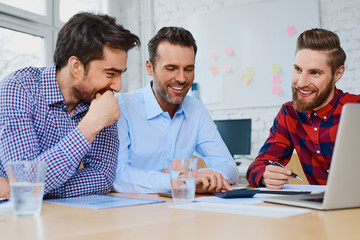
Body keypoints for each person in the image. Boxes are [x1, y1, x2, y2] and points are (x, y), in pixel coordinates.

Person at [0, 12, 140, 198]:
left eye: (121, 73)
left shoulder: (99, 99)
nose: (117, 86)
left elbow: (103, 177)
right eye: (110, 74)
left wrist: (25, 189)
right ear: (76, 66)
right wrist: (90, 125)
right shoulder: (18, 89)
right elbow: (26, 180)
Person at [113, 26, 239, 194]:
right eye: (171, 68)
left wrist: (191, 177)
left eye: (188, 69)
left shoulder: (196, 110)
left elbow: (229, 167)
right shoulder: (122, 107)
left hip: (180, 208)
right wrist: (179, 179)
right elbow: (118, 176)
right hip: (133, 211)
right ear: (150, 68)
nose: (181, 78)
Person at [246, 28, 360, 189]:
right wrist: (266, 176)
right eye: (298, 69)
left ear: (337, 74)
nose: (301, 83)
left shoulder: (355, 109)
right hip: (322, 209)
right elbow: (257, 167)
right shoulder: (289, 114)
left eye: (314, 73)